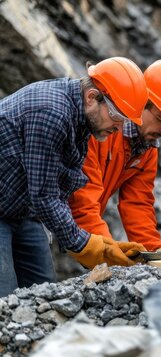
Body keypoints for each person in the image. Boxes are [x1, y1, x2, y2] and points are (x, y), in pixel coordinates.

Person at [0, 57, 149, 297]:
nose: (119, 129)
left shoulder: (81, 120)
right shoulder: (51, 113)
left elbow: (62, 190)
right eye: (117, 117)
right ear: (92, 97)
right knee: (4, 301)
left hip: (20, 208)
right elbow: (45, 197)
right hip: (13, 205)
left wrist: (103, 244)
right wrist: (88, 246)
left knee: (44, 292)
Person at [70, 59, 161, 252]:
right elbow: (83, 201)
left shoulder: (147, 146)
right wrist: (108, 252)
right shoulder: (100, 130)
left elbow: (137, 204)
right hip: (42, 211)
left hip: (66, 221)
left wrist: (155, 250)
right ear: (142, 102)